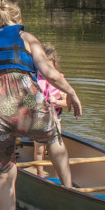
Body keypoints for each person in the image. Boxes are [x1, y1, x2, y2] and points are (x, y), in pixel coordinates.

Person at [0, 0, 82, 210]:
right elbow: (50, 73)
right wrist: (72, 93)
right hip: (26, 100)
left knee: (4, 173)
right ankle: (69, 191)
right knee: (53, 137)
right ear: (18, 20)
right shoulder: (26, 37)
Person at [30, 45, 67, 178]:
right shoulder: (34, 80)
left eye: (49, 67)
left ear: (54, 65)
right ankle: (40, 174)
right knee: (40, 147)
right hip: (38, 119)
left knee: (58, 147)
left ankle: (58, 176)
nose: (45, 71)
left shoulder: (60, 81)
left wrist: (56, 101)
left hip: (55, 118)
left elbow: (66, 103)